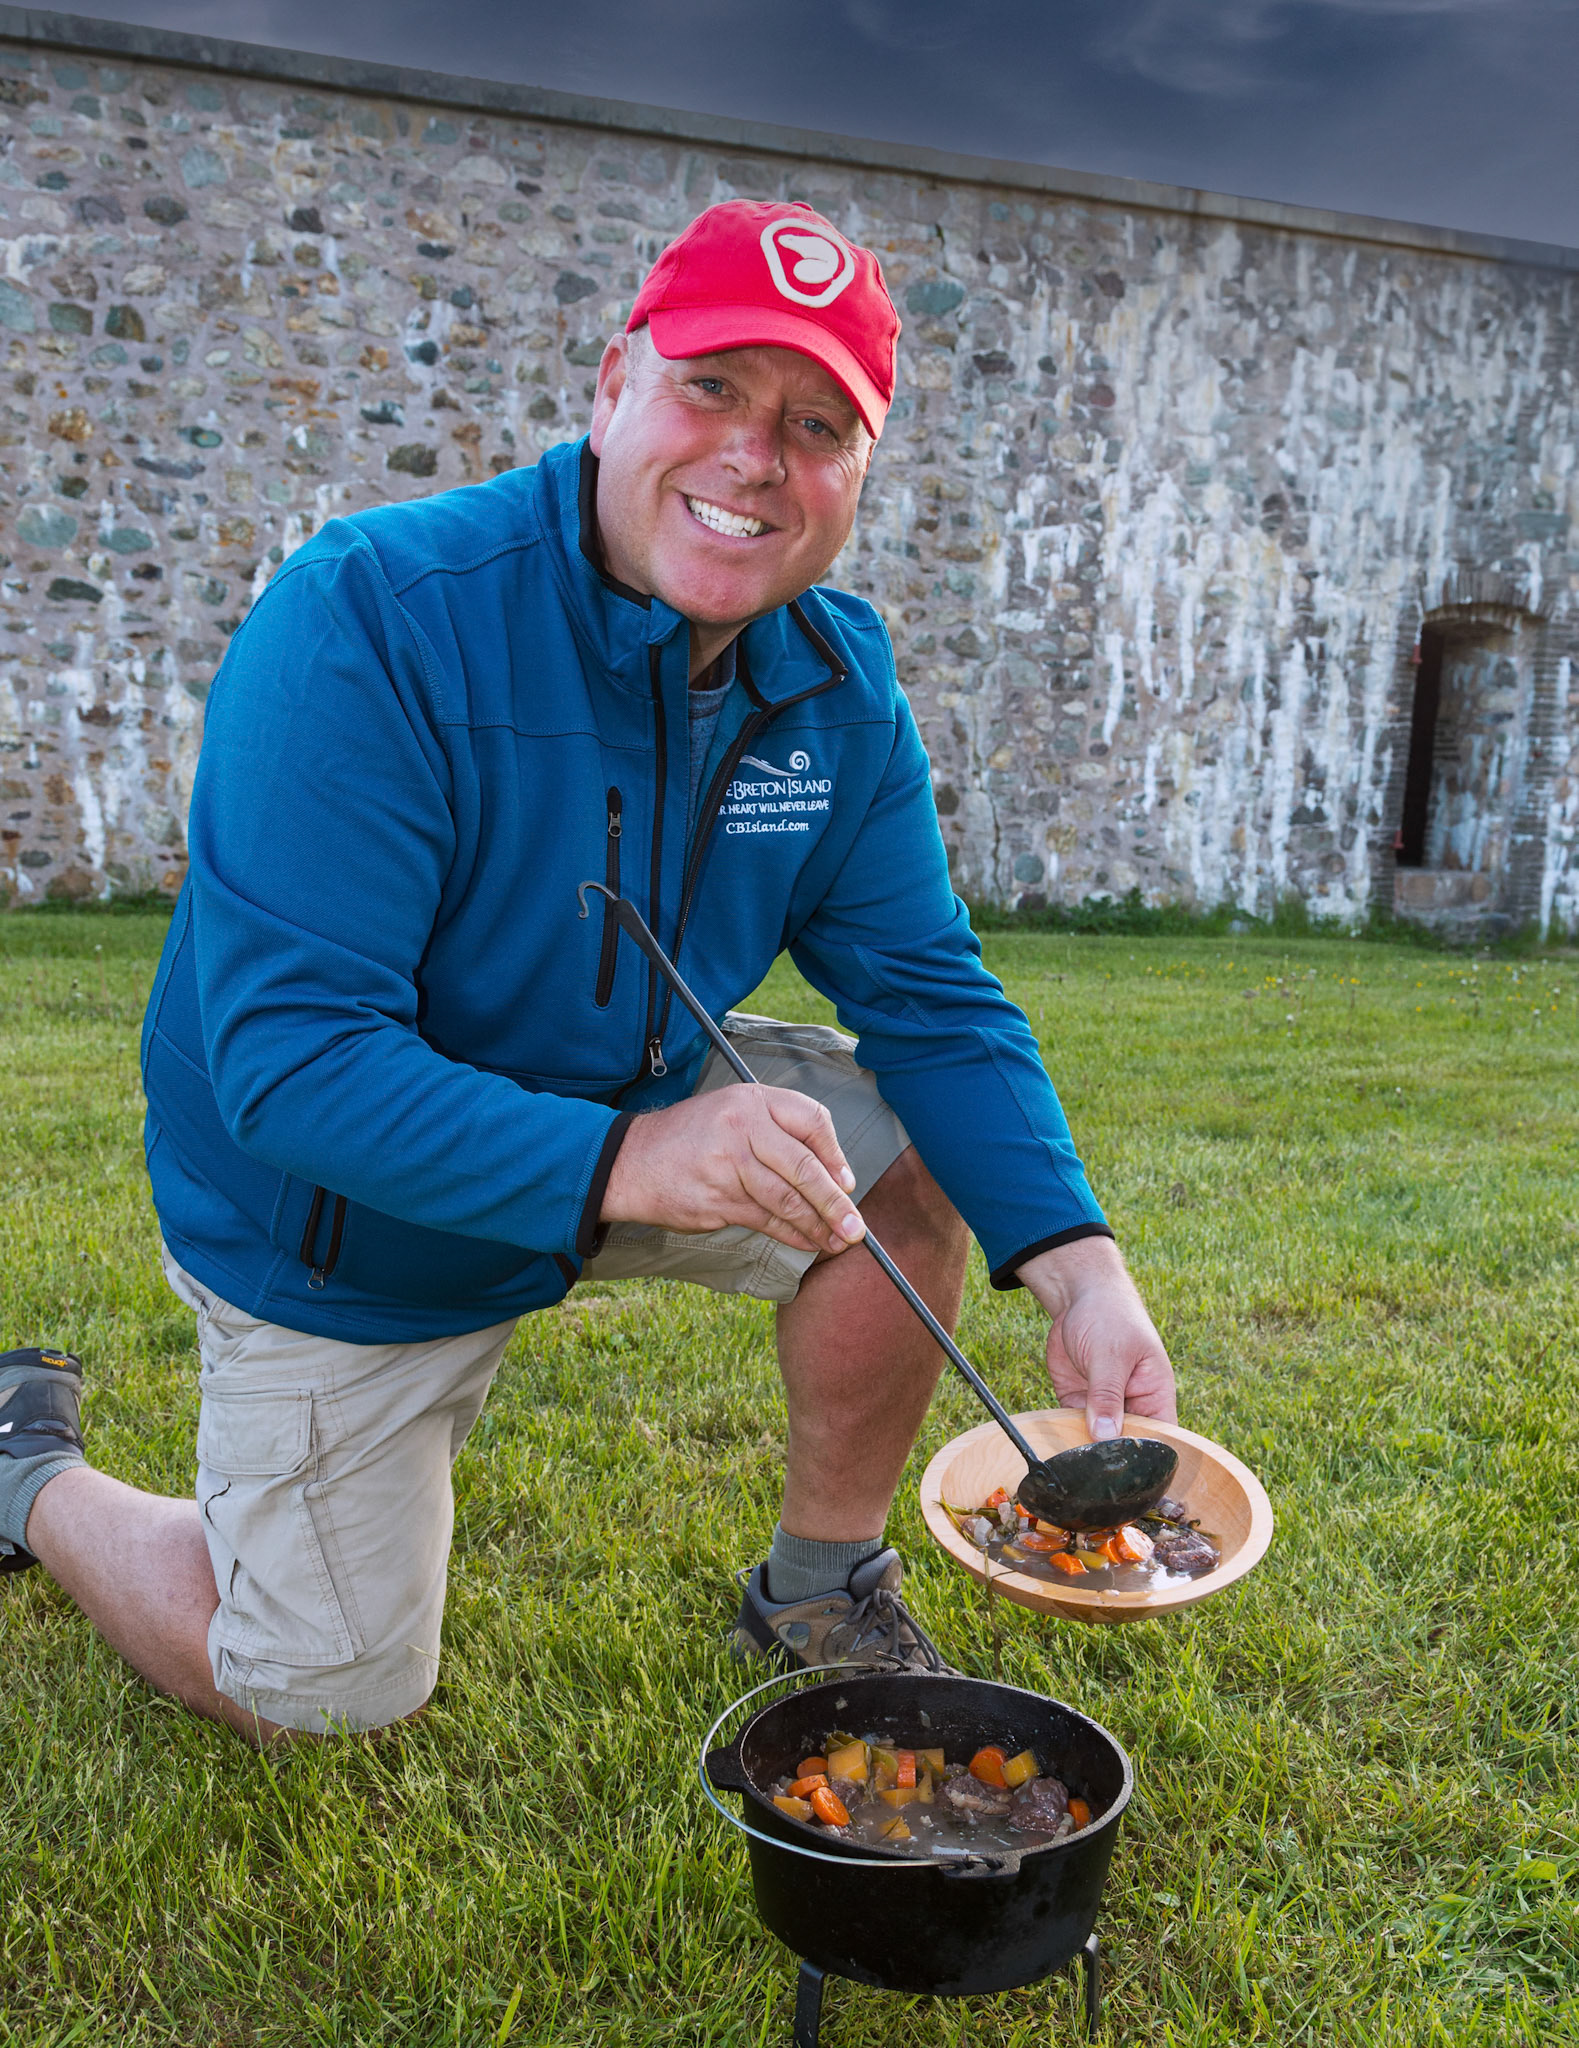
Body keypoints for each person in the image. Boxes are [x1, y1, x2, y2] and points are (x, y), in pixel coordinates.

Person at [0, 201, 1175, 1738]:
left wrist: (1081, 1266)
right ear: (614, 380)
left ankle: (820, 1586)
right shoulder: (373, 618)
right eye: (714, 389)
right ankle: (31, 1475)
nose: (759, 457)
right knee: (316, 1687)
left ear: (861, 474)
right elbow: (288, 1067)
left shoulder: (837, 684)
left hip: (621, 1110)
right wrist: (639, 1153)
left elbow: (934, 1000)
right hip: (350, 1218)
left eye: (819, 424)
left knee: (903, 1155)